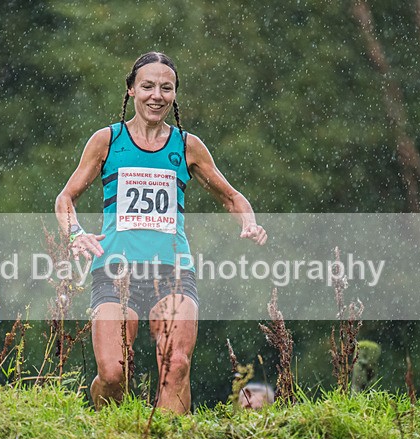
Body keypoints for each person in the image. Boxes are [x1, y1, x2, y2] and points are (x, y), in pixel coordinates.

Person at [55, 51, 267, 414]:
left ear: (174, 95)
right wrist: (75, 233)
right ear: (131, 91)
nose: (157, 95)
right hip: (114, 271)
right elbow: (66, 198)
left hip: (173, 271)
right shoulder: (107, 141)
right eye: (148, 86)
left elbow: (232, 197)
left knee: (176, 364)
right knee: (112, 374)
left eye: (166, 88)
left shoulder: (186, 146)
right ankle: (110, 430)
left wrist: (248, 221)